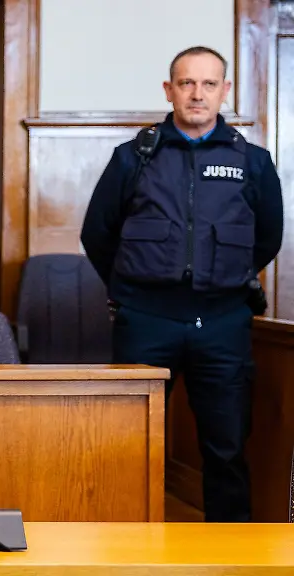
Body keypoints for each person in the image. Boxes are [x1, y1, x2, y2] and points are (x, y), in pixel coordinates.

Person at [80, 46, 283, 522]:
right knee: (129, 444)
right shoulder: (134, 157)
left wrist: (222, 280)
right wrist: (133, 291)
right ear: (169, 90)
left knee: (227, 447)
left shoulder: (252, 161)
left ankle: (230, 551)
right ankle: (129, 548)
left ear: (224, 91)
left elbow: (267, 237)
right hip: (146, 322)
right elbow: (97, 233)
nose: (197, 94)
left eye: (209, 84)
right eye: (187, 83)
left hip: (223, 323)